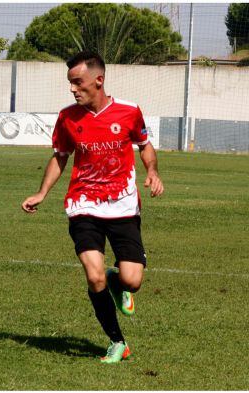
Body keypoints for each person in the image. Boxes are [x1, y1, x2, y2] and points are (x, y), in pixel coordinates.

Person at [21, 51, 164, 364]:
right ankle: (117, 342)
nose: (73, 89)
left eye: (78, 82)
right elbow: (60, 156)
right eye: (71, 83)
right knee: (93, 275)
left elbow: (145, 145)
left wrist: (152, 171)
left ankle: (118, 281)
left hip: (124, 205)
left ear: (98, 80)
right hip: (83, 203)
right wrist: (42, 193)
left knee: (132, 281)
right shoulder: (67, 118)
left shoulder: (128, 111)